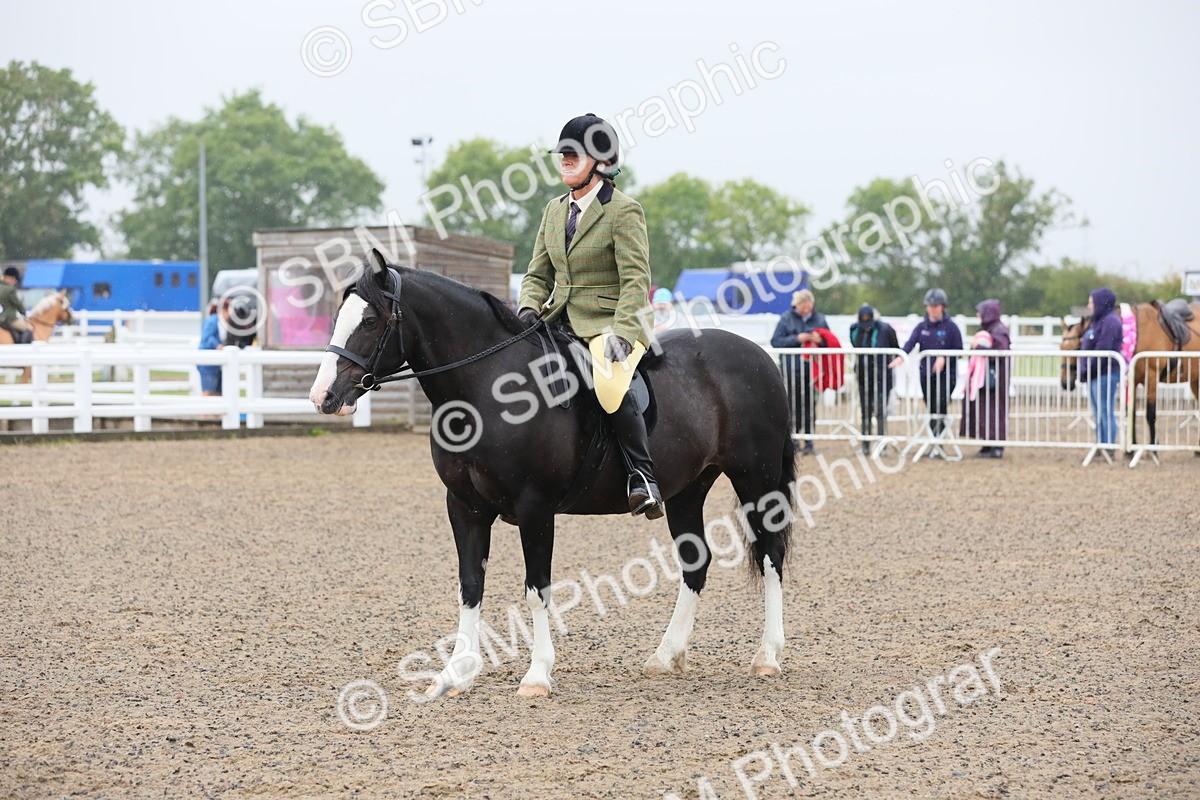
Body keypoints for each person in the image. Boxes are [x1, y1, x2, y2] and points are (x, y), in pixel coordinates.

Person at [518, 113, 661, 519]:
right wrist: (529, 306)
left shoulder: (623, 211)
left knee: (612, 385)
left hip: (607, 324)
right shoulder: (553, 210)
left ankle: (643, 478)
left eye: (573, 153)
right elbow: (537, 273)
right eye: (562, 152)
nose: (563, 158)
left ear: (600, 162)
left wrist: (624, 330)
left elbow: (636, 279)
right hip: (558, 319)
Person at [890, 288, 963, 442]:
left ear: (942, 306)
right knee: (931, 407)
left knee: (940, 406)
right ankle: (934, 440)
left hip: (946, 376)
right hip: (926, 375)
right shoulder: (921, 327)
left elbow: (959, 350)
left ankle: (939, 441)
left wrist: (944, 357)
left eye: (935, 306)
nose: (932, 309)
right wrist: (901, 356)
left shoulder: (951, 328)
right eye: (930, 306)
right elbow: (910, 343)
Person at [770, 289, 828, 454]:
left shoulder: (820, 319)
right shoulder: (786, 319)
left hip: (813, 370)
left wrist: (820, 340)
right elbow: (776, 341)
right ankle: (792, 441)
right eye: (803, 306)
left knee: (810, 405)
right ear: (796, 305)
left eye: (808, 306)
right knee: (791, 405)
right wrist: (796, 339)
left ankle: (809, 441)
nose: (806, 310)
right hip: (791, 369)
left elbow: (829, 340)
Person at [960, 299, 1011, 458]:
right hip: (985, 378)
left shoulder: (999, 330)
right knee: (983, 410)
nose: (978, 315)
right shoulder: (989, 329)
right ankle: (987, 442)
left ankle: (997, 445)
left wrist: (979, 348)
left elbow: (1000, 350)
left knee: (995, 410)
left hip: (996, 379)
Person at [848, 304, 899, 454]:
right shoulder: (854, 329)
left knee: (880, 410)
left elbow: (896, 348)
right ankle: (865, 445)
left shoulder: (885, 329)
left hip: (881, 377)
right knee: (865, 410)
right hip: (863, 376)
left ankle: (882, 444)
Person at [1078, 288, 1122, 446]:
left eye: (1091, 302)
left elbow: (1103, 350)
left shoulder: (1110, 321)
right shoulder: (1098, 321)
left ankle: (1108, 445)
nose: (1089, 306)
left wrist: (1087, 369)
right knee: (1098, 412)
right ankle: (1101, 443)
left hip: (1105, 374)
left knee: (1105, 411)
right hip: (1096, 374)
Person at [0, 267, 33, 343]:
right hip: (8, 319)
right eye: (14, 279)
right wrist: (24, 314)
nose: (15, 282)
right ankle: (22, 349)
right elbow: (18, 304)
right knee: (28, 329)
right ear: (8, 277)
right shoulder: (10, 289)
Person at [198, 300, 224, 397]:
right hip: (208, 363)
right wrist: (218, 345)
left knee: (217, 393)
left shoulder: (218, 321)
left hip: (214, 364)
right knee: (208, 392)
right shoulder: (213, 320)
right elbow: (207, 337)